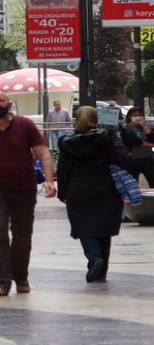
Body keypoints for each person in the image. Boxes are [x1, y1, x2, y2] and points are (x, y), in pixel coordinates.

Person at [0, 92, 56, 297]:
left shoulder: (25, 125)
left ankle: (21, 277)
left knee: (22, 237)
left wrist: (50, 180)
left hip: (23, 189)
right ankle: (1, 282)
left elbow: (43, 152)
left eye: (1, 100)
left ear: (9, 103)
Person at [57, 107, 131, 283]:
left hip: (79, 188)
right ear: (96, 119)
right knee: (104, 228)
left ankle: (94, 258)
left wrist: (62, 192)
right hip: (106, 187)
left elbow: (63, 169)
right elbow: (125, 158)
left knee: (84, 227)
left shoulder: (68, 143)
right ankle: (102, 268)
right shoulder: (108, 138)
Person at [120, 107, 154, 187]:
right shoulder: (126, 127)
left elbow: (152, 138)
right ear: (129, 117)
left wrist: (144, 125)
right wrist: (150, 145)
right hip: (133, 159)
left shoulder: (145, 127)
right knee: (133, 184)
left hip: (148, 158)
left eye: (140, 115)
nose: (138, 117)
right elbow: (134, 140)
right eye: (135, 115)